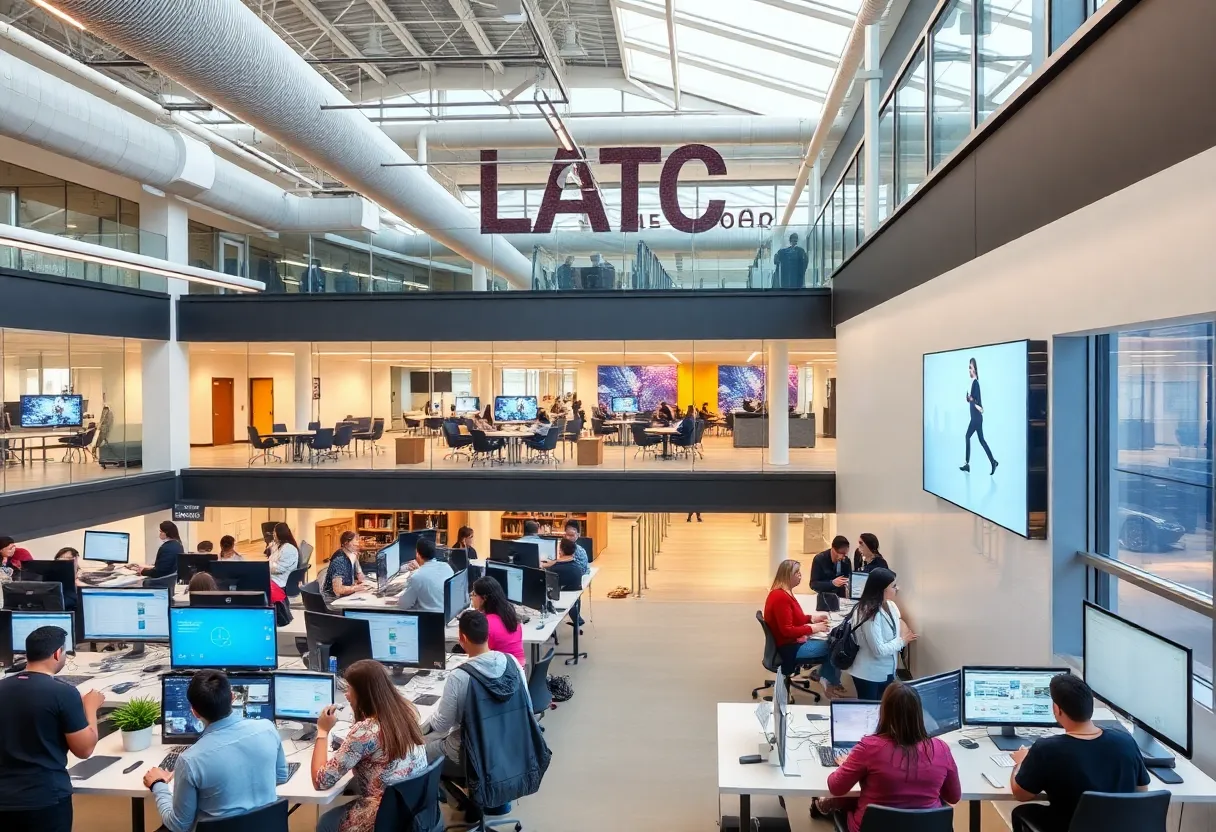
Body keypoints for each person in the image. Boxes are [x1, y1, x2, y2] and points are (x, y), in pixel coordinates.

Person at [143, 669, 288, 831]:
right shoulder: (268, 729)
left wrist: (158, 784)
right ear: (232, 697)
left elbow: (179, 825)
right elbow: (281, 776)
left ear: (195, 712)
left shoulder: (190, 760)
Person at [1009, 674, 1149, 832]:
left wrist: (1020, 763)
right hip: (1120, 828)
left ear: (1057, 709)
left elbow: (1021, 794)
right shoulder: (1126, 742)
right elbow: (1142, 791)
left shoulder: (1047, 749)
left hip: (1068, 827)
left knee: (1023, 812)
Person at [817, 681, 961, 831]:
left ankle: (822, 804)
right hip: (926, 827)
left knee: (844, 802)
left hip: (873, 827)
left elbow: (836, 787)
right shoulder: (941, 748)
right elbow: (953, 796)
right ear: (919, 713)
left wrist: (848, 764)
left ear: (883, 711)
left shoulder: (869, 747)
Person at [0, 626, 103, 832]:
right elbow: (84, 749)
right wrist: (90, 708)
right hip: (44, 799)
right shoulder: (62, 693)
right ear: (57, 653)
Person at [313, 660, 429, 832]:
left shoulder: (365, 731)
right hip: (414, 807)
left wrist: (322, 731)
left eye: (349, 689)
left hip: (388, 815)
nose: (346, 695)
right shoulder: (406, 710)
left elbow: (321, 781)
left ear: (363, 693)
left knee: (326, 822)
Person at [421, 610, 531, 771]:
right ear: (488, 634)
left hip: (472, 752)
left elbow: (442, 725)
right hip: (510, 741)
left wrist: (418, 730)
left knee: (417, 751)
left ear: (463, 638)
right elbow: (526, 703)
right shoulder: (512, 662)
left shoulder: (459, 676)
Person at [764, 559, 845, 697]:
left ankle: (824, 677)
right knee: (835, 646)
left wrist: (812, 619)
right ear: (787, 575)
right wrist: (814, 628)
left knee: (831, 641)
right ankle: (828, 682)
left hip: (790, 643)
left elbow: (795, 617)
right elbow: (787, 630)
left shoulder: (784, 593)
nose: (800, 576)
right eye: (797, 573)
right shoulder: (781, 598)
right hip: (789, 648)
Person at [850, 568, 916, 701]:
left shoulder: (891, 605)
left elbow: (899, 621)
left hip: (886, 671)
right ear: (882, 589)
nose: (896, 589)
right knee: (870, 713)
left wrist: (904, 631)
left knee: (883, 710)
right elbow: (878, 650)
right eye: (893, 586)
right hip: (868, 674)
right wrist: (902, 641)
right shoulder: (867, 613)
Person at [470, 577, 525, 665]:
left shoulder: (486, 624)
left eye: (474, 594)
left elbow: (478, 656)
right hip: (518, 671)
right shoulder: (510, 615)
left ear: (484, 598)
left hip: (502, 674)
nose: (471, 597)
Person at [961, 356, 998, 475]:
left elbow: (980, 407)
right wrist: (969, 399)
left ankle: (968, 464)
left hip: (977, 418)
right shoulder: (972, 383)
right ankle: (993, 462)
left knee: (968, 437)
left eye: (970, 368)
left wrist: (972, 400)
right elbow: (972, 400)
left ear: (975, 369)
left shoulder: (976, 384)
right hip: (976, 418)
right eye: (968, 368)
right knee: (981, 441)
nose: (969, 370)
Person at [398, 537, 452, 613]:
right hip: (446, 615)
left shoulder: (416, 576)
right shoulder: (447, 567)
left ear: (417, 554)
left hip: (428, 618)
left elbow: (403, 605)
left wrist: (416, 573)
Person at [324, 531, 369, 600]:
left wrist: (356, 561)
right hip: (333, 599)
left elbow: (361, 578)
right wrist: (355, 588)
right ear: (346, 543)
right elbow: (338, 589)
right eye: (355, 541)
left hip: (344, 596)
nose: (358, 543)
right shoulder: (340, 560)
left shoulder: (351, 555)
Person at [809, 535, 853, 601]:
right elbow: (813, 584)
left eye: (845, 554)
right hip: (825, 597)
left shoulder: (846, 560)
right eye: (841, 553)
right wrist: (832, 583)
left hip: (842, 598)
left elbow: (848, 578)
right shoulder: (819, 559)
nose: (843, 557)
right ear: (833, 549)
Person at [267, 522, 299, 588]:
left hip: (280, 581)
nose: (273, 535)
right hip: (275, 577)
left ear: (280, 534)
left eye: (274, 532)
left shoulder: (289, 549)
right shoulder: (281, 546)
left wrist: (267, 565)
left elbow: (279, 569)